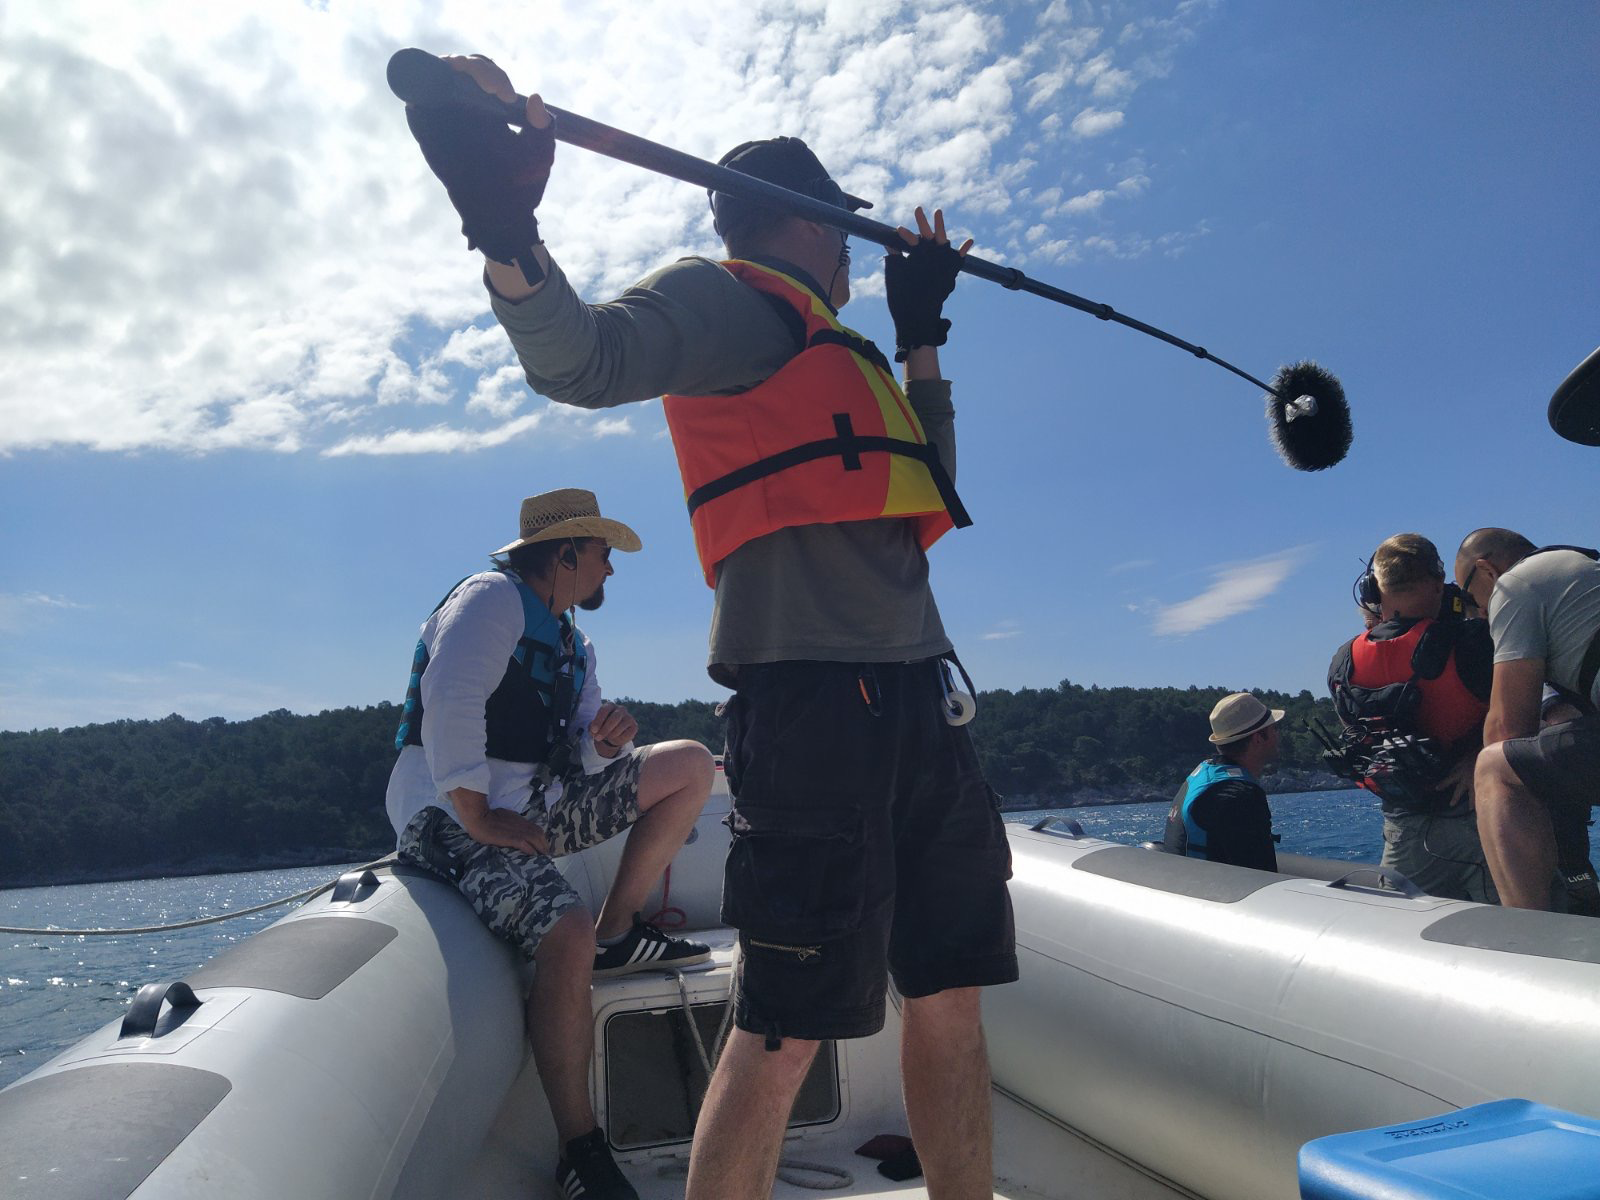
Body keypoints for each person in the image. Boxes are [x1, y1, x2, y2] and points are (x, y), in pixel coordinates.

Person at [402, 57, 1018, 1200]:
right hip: (815, 707)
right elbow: (577, 358)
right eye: (844, 236)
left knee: (948, 991)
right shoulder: (726, 299)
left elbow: (928, 485)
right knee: (783, 1027)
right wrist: (503, 225)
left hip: (921, 700)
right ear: (805, 222)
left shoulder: (851, 348)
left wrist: (922, 331)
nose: (851, 257)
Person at [384, 488, 715, 1200]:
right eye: (602, 554)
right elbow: (450, 697)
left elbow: (582, 754)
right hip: (446, 814)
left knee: (690, 762)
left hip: (531, 805)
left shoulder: (573, 642)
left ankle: (619, 929)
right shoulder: (489, 598)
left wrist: (601, 744)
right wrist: (475, 814)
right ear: (565, 552)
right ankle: (579, 1150)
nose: (610, 572)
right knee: (564, 936)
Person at [1326, 534, 1497, 902]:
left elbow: (1360, 741)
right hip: (1483, 819)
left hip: (1405, 833)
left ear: (1374, 590)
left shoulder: (1343, 662)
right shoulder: (1473, 641)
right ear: (1439, 583)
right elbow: (1520, 712)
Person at [1455, 529, 1600, 909]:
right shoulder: (1583, 568)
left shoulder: (1515, 585)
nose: (1479, 613)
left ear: (1487, 571)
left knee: (1493, 767)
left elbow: (1508, 728)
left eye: (1471, 599)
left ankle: (1527, 938)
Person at [1162, 693, 1282, 870]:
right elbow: (1262, 874)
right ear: (1258, 739)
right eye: (1273, 729)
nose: (1277, 735)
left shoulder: (1204, 776)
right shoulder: (1240, 796)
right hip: (1208, 894)